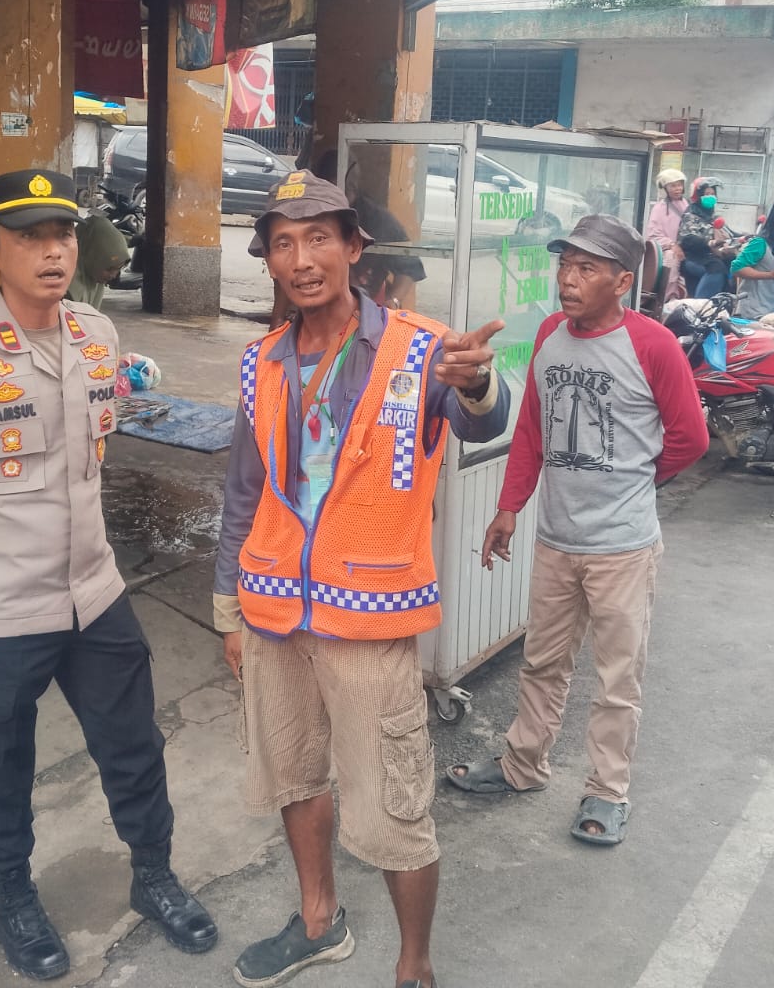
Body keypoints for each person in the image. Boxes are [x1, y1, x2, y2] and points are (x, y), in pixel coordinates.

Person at [0, 170, 217, 982]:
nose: (53, 252)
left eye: (61, 234)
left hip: (94, 593)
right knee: (2, 767)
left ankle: (154, 875)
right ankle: (12, 900)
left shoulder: (98, 335)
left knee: (134, 746)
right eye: (29, 238)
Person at [214, 169, 509, 988]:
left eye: (318, 238)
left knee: (393, 804)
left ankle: (415, 965)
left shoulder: (421, 349)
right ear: (269, 260)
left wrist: (479, 383)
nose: (301, 259)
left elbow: (483, 416)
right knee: (293, 774)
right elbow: (243, 493)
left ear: (353, 248)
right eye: (283, 243)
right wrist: (227, 609)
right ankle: (319, 923)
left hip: (368, 623)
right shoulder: (261, 362)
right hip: (274, 614)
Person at [445, 215, 708, 845]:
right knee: (542, 662)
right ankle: (522, 766)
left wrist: (637, 482)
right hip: (557, 541)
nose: (568, 279)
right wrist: (509, 506)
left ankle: (607, 791)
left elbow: (691, 438)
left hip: (623, 549)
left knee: (618, 679)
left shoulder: (653, 345)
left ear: (621, 282)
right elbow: (532, 428)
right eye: (565, 265)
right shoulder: (549, 336)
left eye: (586, 268)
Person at [676, 178, 734, 298]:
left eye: (713, 194)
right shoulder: (690, 215)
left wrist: (744, 237)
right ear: (698, 196)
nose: (710, 197)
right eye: (707, 194)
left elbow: (730, 233)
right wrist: (709, 243)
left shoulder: (714, 217)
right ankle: (701, 304)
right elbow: (687, 239)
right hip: (693, 258)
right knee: (716, 268)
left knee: (732, 262)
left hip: (710, 256)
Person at [65, 211, 129, 309]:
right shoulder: (64, 290)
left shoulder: (94, 281)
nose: (113, 275)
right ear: (90, 257)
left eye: (118, 268)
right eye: (109, 269)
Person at [644, 169, 689, 297]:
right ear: (665, 188)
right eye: (673, 186)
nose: (677, 188)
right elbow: (653, 235)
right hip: (668, 250)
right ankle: (668, 297)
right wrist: (672, 245)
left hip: (687, 249)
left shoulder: (687, 205)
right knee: (670, 259)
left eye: (679, 185)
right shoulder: (659, 208)